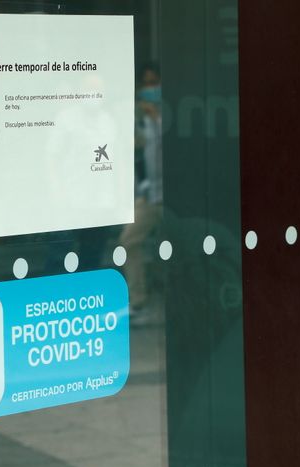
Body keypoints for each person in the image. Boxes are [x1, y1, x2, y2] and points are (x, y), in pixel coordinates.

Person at [119, 62, 163, 325]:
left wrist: (156, 119)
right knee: (129, 241)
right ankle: (139, 301)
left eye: (154, 83)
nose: (150, 89)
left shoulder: (170, 116)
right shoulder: (138, 119)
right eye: (146, 84)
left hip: (170, 197)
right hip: (147, 197)